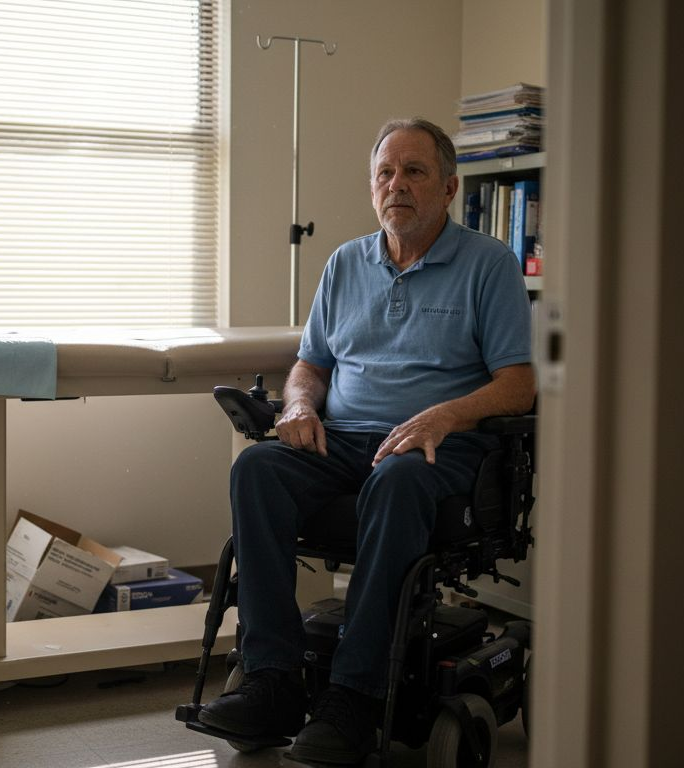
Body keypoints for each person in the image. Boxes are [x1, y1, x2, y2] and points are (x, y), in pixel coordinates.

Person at [198, 117, 536, 765]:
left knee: (398, 478)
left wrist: (442, 416)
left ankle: (355, 694)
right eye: (385, 173)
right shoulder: (345, 263)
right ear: (372, 187)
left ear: (449, 188)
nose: (396, 184)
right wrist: (300, 404)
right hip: (346, 442)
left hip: (439, 449)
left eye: (414, 171)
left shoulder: (488, 264)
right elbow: (311, 365)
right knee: (258, 469)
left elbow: (518, 386)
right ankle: (271, 679)